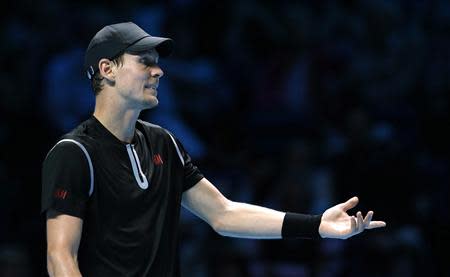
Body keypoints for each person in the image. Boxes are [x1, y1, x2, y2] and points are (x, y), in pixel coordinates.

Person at [41, 22, 386, 277]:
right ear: (107, 70)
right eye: (144, 61)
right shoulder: (74, 153)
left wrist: (316, 226)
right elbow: (60, 257)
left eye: (157, 61)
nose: (158, 70)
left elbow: (223, 214)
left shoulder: (165, 143)